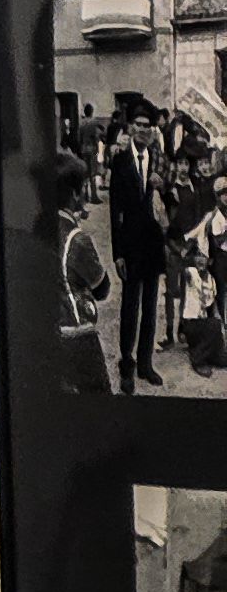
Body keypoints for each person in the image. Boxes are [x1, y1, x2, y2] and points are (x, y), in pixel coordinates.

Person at [113, 110, 170, 391]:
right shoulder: (121, 162)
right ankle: (127, 363)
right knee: (129, 307)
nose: (144, 130)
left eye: (148, 126)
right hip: (131, 248)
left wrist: (164, 186)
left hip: (153, 246)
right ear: (131, 128)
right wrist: (118, 254)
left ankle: (145, 364)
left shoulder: (158, 160)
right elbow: (115, 212)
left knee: (149, 308)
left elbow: (169, 203)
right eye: (139, 125)